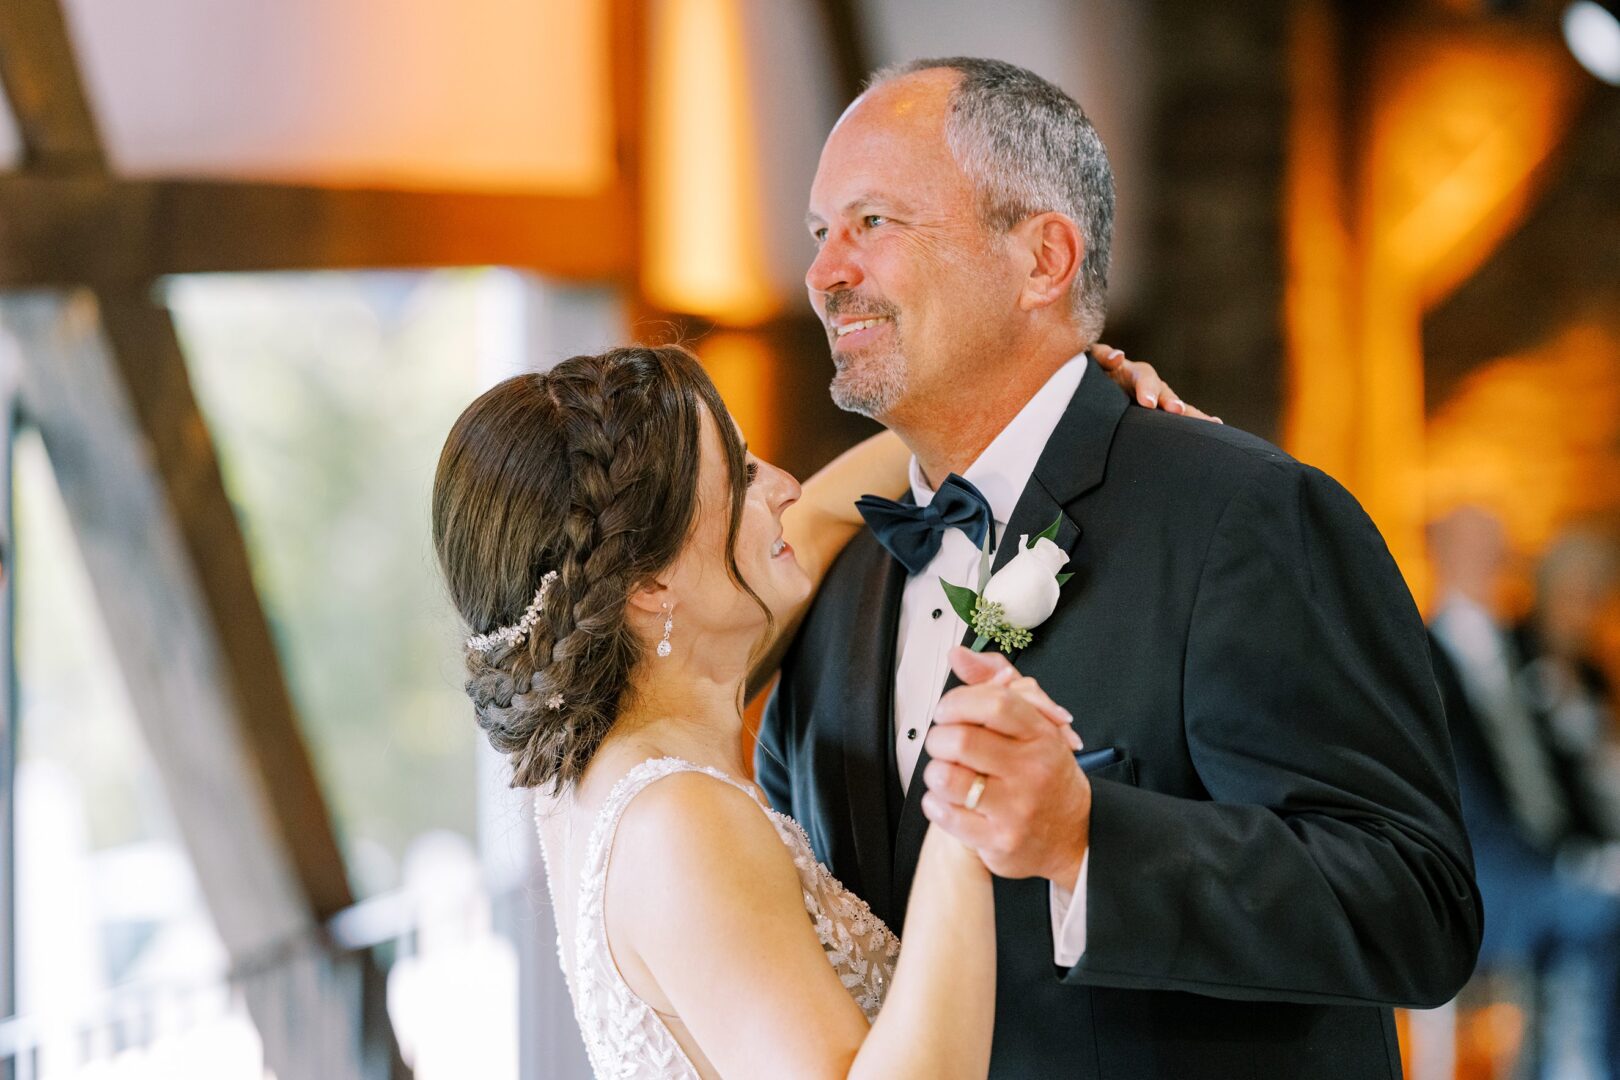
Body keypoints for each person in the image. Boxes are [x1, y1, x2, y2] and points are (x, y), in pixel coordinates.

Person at [759, 57, 1481, 1079]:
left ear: (1043, 257)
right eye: (819, 232)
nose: (826, 272)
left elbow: (1419, 906)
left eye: (872, 223)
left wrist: (1087, 838)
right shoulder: (838, 578)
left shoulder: (1243, 517)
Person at [431, 343, 1187, 1078]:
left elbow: (821, 517)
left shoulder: (593, 746)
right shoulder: (678, 823)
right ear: (649, 587)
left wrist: (1050, 394)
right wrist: (965, 815)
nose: (788, 486)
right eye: (744, 475)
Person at [1427, 509, 1620, 1078]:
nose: (1494, 562)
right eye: (1480, 547)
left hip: (1552, 851)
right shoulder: (1421, 656)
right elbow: (1460, 793)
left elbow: (1555, 775)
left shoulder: (1520, 650)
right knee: (1603, 912)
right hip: (1480, 869)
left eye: (1499, 549)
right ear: (1444, 552)